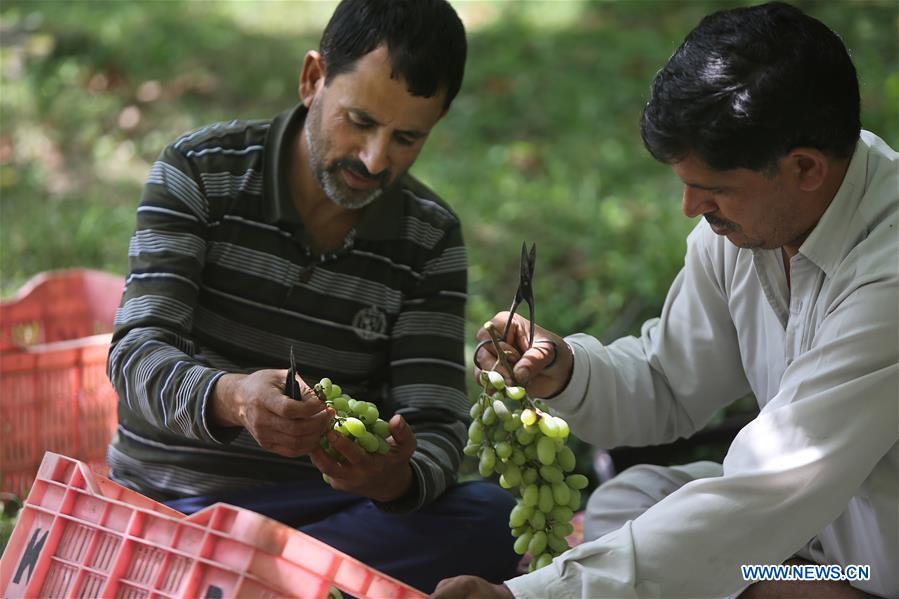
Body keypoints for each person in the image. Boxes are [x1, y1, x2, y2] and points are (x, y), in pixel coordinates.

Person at [433, 2, 897, 598]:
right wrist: (566, 370)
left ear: (804, 167)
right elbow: (669, 380)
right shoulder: (745, 229)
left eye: (713, 190)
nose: (691, 210)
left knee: (727, 576)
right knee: (631, 499)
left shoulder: (889, 274)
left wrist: (528, 596)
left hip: (869, 568)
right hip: (809, 538)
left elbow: (768, 489)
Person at [106, 0, 519, 592]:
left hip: (323, 516)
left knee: (494, 520)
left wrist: (391, 481)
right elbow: (136, 353)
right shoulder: (198, 173)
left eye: (406, 138)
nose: (376, 159)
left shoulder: (428, 237)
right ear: (311, 81)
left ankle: (250, 581)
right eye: (360, 121)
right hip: (177, 501)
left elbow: (434, 424)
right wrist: (235, 399)